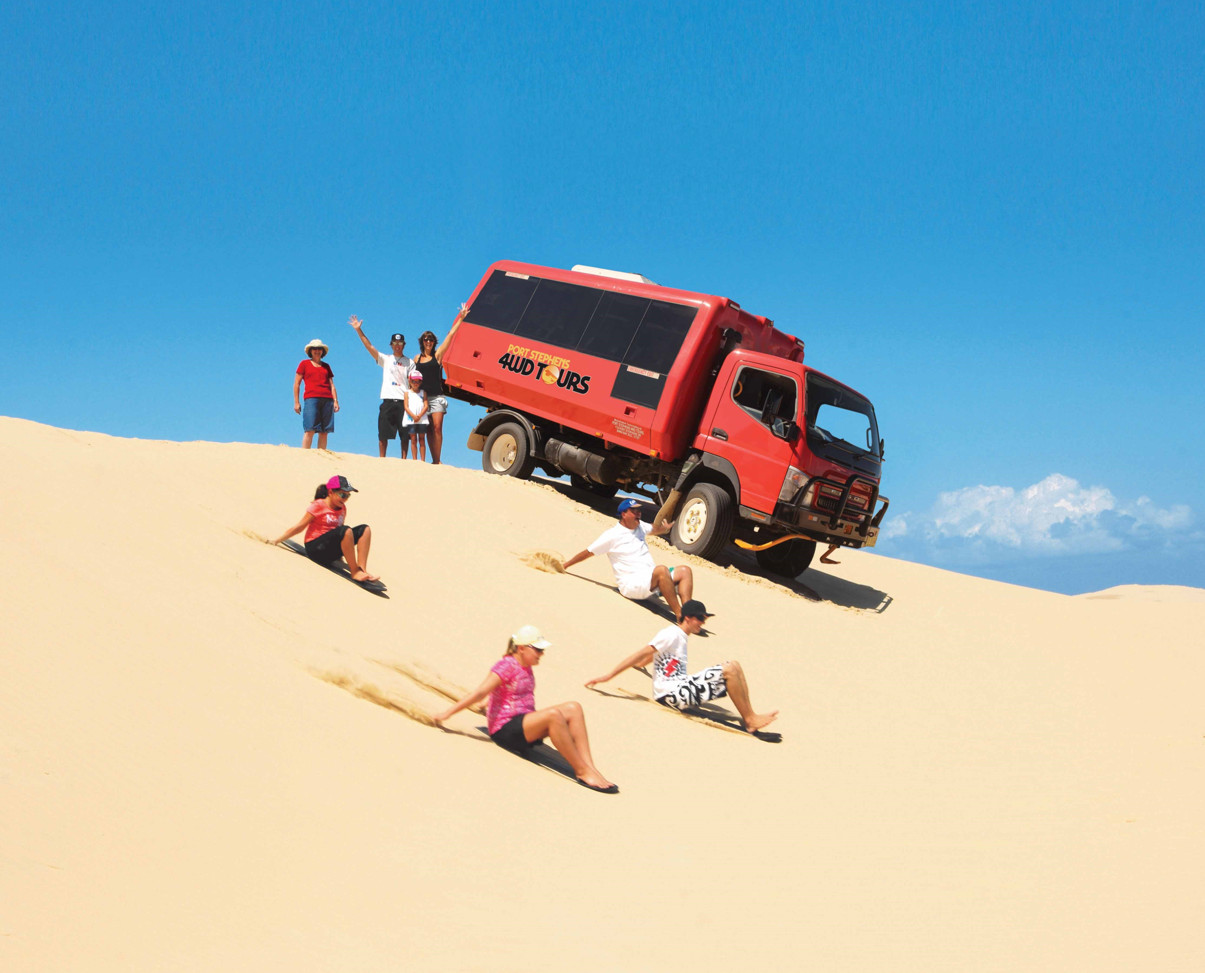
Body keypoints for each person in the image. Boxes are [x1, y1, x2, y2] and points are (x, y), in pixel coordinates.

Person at [432, 625, 618, 794]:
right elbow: (481, 691)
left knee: (574, 707)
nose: (541, 654)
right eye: (537, 649)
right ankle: (582, 771)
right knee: (554, 716)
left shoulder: (526, 665)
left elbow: (507, 691)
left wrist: (488, 704)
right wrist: (446, 714)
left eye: (542, 650)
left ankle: (590, 767)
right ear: (521, 648)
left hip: (524, 724)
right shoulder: (506, 665)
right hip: (505, 730)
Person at [585, 600, 778, 734]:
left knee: (734, 665)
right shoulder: (672, 633)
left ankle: (750, 714)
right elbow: (643, 651)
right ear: (687, 618)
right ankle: (750, 719)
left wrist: (642, 665)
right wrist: (608, 676)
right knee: (729, 668)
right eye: (701, 619)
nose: (703, 623)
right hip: (670, 695)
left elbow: (654, 656)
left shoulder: (680, 637)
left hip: (677, 689)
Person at [559, 498, 694, 620]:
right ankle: (680, 615)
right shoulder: (612, 535)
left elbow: (652, 528)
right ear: (624, 514)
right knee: (662, 570)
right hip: (632, 585)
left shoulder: (639, 526)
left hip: (649, 578)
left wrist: (664, 529)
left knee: (685, 571)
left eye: (638, 510)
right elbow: (588, 552)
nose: (638, 513)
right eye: (633, 511)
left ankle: (689, 612)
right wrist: (566, 565)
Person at [269, 475, 379, 583]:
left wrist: (339, 555)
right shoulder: (319, 505)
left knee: (365, 529)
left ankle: (362, 570)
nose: (345, 499)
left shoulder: (342, 508)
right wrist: (278, 540)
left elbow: (339, 532)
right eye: (342, 494)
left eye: (348, 496)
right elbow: (300, 526)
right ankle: (354, 572)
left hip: (329, 550)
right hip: (315, 549)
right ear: (331, 492)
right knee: (346, 530)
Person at [349, 316, 417, 458]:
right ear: (391, 345)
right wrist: (358, 330)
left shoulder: (410, 362)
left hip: (404, 401)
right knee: (383, 433)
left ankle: (404, 459)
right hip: (388, 400)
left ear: (404, 345)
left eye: (400, 343)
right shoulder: (386, 359)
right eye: (395, 343)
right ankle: (382, 458)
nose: (397, 345)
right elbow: (369, 347)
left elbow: (414, 382)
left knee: (405, 435)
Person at [412, 305, 468, 464]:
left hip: (436, 397)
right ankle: (434, 460)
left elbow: (450, 335)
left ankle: (437, 459)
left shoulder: (438, 356)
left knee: (437, 427)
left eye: (430, 339)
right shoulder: (416, 358)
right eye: (425, 339)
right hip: (422, 398)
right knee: (428, 429)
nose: (428, 341)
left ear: (434, 342)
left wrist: (461, 317)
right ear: (422, 342)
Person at [293, 339, 339, 449]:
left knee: (324, 431)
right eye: (314, 349)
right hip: (311, 398)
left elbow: (332, 385)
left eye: (319, 349)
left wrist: (336, 401)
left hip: (327, 399)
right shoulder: (304, 364)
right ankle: (304, 455)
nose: (317, 351)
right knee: (310, 429)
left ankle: (321, 455)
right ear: (310, 351)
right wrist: (296, 402)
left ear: (322, 351)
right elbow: (296, 384)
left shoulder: (326, 366)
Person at [401, 370, 429, 462]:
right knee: (413, 439)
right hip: (411, 419)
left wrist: (419, 416)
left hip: (422, 418)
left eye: (418, 381)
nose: (416, 383)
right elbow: (406, 406)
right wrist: (413, 416)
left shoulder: (423, 392)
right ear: (410, 381)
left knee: (422, 439)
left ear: (421, 382)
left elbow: (426, 405)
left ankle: (423, 460)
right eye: (413, 381)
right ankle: (414, 459)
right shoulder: (407, 393)